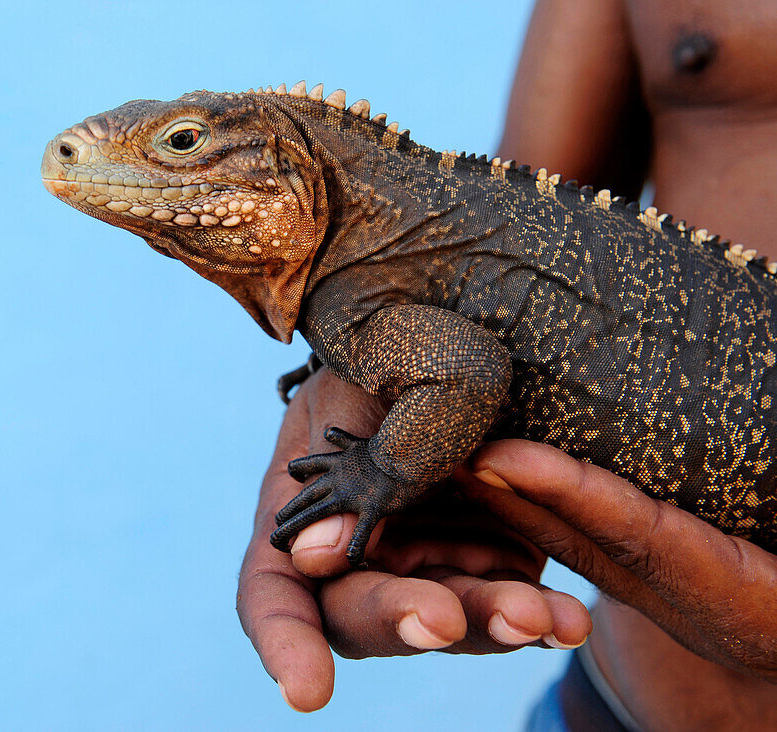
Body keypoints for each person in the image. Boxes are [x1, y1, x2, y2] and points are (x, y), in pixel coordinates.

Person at [236, 1, 777, 728]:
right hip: (611, 705)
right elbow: (517, 225)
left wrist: (382, 464)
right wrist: (366, 377)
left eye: (178, 144)